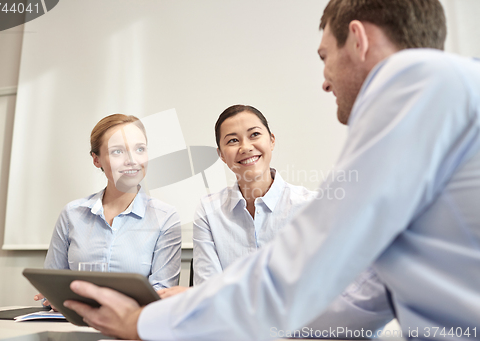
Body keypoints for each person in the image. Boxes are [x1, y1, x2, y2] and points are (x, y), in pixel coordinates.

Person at [65, 0, 480, 340]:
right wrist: (198, 311)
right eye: (231, 141)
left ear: (358, 39)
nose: (325, 80)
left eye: (324, 58)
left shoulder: (415, 83)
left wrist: (143, 323)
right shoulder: (443, 97)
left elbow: (297, 273)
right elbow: (358, 302)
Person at [158, 104, 393, 332]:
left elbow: (312, 293)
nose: (245, 146)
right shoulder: (209, 210)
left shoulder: (310, 206)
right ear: (221, 155)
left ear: (271, 140)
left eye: (254, 135)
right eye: (232, 140)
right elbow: (207, 289)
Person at [35, 114, 181, 307]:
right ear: (96, 160)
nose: (131, 160)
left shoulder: (165, 218)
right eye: (117, 151)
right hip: (74, 323)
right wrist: (52, 297)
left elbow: (162, 293)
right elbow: (52, 284)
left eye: (140, 149)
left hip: (133, 327)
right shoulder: (72, 214)